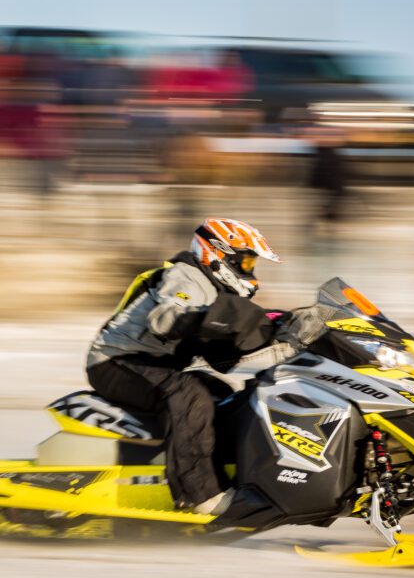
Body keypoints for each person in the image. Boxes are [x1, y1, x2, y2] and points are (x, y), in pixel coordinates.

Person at [85, 218, 282, 515]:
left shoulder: (214, 289)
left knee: (229, 395)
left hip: (155, 362)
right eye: (245, 261)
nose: (249, 271)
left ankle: (228, 478)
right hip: (116, 361)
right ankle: (199, 495)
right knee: (189, 395)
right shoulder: (185, 276)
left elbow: (220, 354)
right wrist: (228, 319)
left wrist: (283, 333)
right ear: (218, 254)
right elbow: (166, 320)